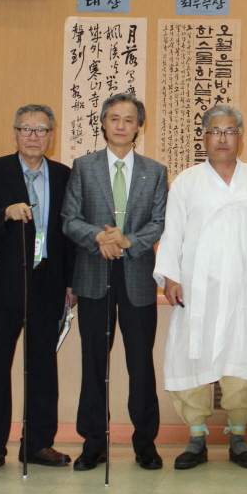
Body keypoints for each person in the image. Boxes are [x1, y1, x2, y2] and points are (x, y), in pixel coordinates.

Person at [155, 105, 247, 471]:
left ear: (241, 136)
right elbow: (172, 232)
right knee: (193, 355)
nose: (222, 138)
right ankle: (196, 437)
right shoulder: (187, 181)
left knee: (243, 355)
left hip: (244, 286)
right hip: (197, 287)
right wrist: (171, 276)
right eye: (215, 131)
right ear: (204, 137)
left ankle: (238, 435)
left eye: (230, 131)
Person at [62, 93, 169, 472]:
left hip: (138, 276)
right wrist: (99, 238)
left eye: (129, 119)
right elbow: (69, 218)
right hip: (93, 276)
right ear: (103, 124)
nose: (121, 125)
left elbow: (159, 222)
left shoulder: (154, 171)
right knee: (94, 364)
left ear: (140, 126)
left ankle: (146, 444)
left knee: (141, 364)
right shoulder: (83, 167)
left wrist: (128, 241)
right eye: (114, 119)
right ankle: (93, 443)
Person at [0, 105, 75, 473]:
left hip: (48, 280)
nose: (33, 136)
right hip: (6, 282)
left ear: (52, 135)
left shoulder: (64, 175)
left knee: (43, 364)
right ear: (15, 133)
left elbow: (70, 232)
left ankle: (38, 443)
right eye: (26, 129)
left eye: (41, 130)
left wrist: (71, 282)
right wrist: (5, 213)